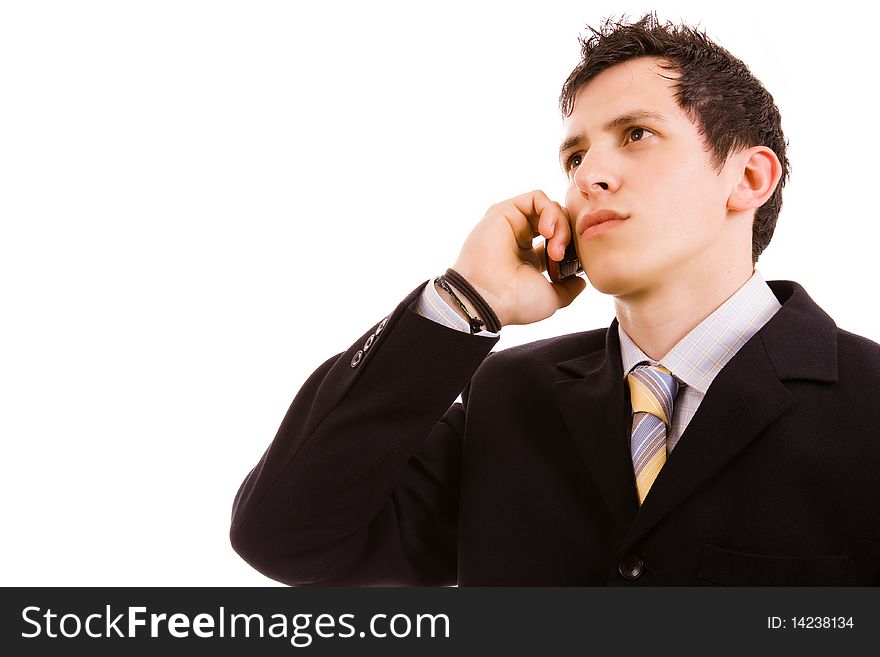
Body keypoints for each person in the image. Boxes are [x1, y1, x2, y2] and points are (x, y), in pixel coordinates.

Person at [229, 14, 880, 585]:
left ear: (748, 177)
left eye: (635, 135)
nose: (588, 175)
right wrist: (466, 301)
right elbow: (286, 537)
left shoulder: (869, 404)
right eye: (574, 155)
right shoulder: (508, 397)